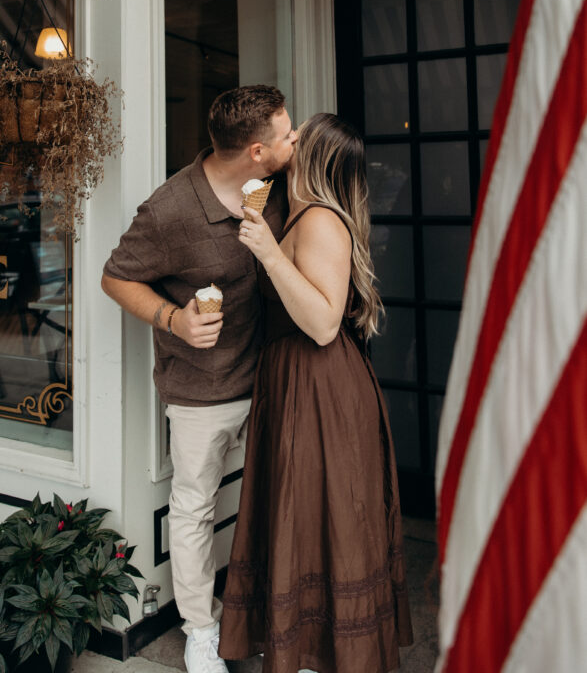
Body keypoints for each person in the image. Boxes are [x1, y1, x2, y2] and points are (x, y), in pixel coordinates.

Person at [101, 85, 296, 673]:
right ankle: (200, 630)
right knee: (193, 510)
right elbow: (115, 278)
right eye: (287, 134)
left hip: (272, 378)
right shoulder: (169, 210)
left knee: (275, 501)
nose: (297, 139)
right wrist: (173, 320)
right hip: (201, 392)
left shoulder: (276, 184)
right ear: (257, 150)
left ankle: (266, 613)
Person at [218, 112, 414, 673]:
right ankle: (309, 648)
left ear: (316, 156)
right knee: (302, 516)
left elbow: (325, 323)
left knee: (317, 515)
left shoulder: (322, 221)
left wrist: (269, 254)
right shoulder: (300, 212)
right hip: (297, 379)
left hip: (318, 382)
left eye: (301, 135)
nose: (292, 140)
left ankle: (316, 657)